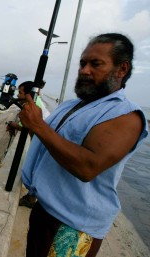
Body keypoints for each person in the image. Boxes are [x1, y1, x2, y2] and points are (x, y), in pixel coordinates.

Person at [18, 33, 148, 257]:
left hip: (73, 226)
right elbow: (50, 140)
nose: (84, 70)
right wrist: (29, 123)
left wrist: (39, 126)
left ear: (121, 69)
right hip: (45, 209)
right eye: (82, 63)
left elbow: (87, 167)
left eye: (95, 64)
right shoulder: (72, 104)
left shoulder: (126, 115)